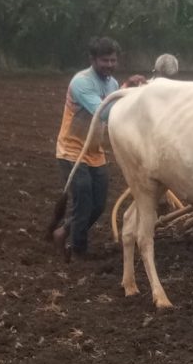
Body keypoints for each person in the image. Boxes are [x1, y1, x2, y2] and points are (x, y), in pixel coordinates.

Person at [53, 37, 146, 261]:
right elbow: (104, 112)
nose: (110, 65)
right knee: (83, 201)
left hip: (95, 151)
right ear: (92, 59)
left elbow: (115, 103)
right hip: (72, 150)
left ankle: (64, 230)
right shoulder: (81, 82)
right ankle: (77, 250)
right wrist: (131, 92)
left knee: (98, 205)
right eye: (105, 60)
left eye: (113, 60)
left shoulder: (112, 84)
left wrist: (129, 90)